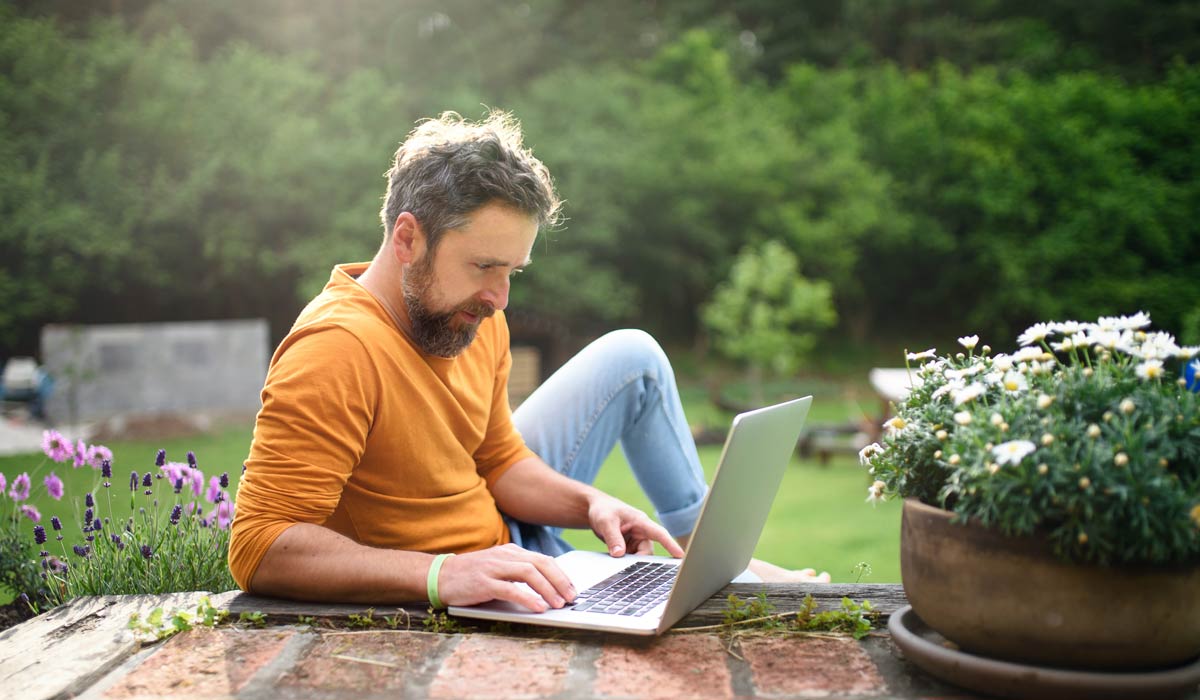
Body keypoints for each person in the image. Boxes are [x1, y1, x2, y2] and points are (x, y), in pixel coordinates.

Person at [228, 111, 828, 613]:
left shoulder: (470, 315)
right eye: (485, 267)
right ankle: (728, 577)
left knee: (635, 355)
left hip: (516, 548)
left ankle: (706, 558)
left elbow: (498, 459)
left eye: (512, 272)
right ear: (407, 240)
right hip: (475, 577)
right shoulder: (337, 350)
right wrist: (441, 576)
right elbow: (258, 544)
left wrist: (587, 502)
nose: (500, 299)